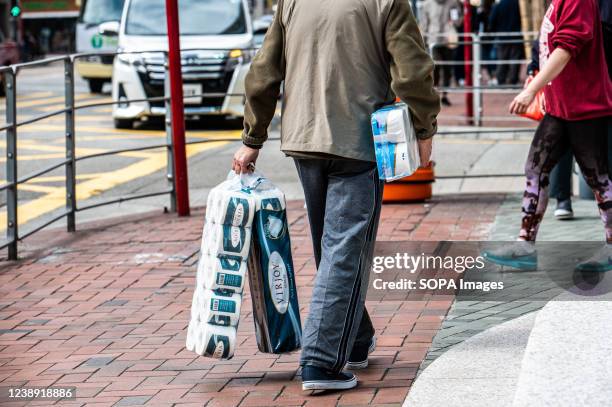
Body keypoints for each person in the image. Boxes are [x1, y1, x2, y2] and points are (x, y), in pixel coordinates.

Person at [233, 0, 440, 392]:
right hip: (358, 142)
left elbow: (263, 72)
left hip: (303, 140)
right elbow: (412, 72)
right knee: (345, 249)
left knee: (332, 249)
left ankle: (356, 339)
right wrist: (425, 128)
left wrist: (252, 138)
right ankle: (321, 361)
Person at [485, 0, 612, 272]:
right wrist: (537, 77)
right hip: (561, 106)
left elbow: (566, 47)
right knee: (535, 168)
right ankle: (525, 245)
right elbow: (549, 44)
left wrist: (532, 90)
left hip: (583, 106)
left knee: (598, 179)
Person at [527, 37, 574, 220]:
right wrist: (533, 66)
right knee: (542, 161)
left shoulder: (583, 10)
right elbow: (542, 43)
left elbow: (564, 48)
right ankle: (562, 199)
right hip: (559, 98)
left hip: (585, 97)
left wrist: (530, 91)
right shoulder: (555, 11)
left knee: (597, 161)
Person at [419, 0, 457, 105]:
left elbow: (457, 20)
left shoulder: (452, 3)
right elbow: (424, 24)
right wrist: (423, 41)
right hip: (433, 41)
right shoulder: (427, 4)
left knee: (447, 69)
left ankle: (444, 95)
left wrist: (454, 21)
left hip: (448, 41)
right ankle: (434, 94)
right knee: (435, 68)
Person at [488, 0, 524, 85]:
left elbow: (492, 21)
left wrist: (493, 32)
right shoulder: (518, 4)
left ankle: (501, 79)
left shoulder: (499, 5)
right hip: (516, 36)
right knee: (515, 59)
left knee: (502, 59)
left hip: (502, 36)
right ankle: (513, 80)